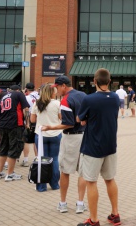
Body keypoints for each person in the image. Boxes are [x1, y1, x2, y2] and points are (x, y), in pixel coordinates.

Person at [76, 68, 121, 226]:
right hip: (110, 145)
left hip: (93, 146)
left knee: (91, 182)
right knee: (110, 179)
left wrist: (86, 119)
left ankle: (94, 219)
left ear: (94, 81)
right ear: (109, 81)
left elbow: (79, 119)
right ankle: (115, 214)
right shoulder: (115, 98)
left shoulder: (89, 99)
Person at [41, 75, 88, 214]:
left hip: (71, 138)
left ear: (63, 86)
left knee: (65, 171)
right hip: (85, 136)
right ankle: (80, 203)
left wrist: (50, 127)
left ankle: (63, 203)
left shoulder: (66, 100)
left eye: (57, 88)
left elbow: (68, 124)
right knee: (83, 172)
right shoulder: (84, 95)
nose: (57, 91)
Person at [0, 85, 30, 181]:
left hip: (2, 125)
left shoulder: (4, 97)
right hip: (15, 125)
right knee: (14, 149)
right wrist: (28, 123)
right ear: (18, 90)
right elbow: (26, 109)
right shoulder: (19, 94)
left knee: (3, 148)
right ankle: (10, 174)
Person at [30, 84, 62, 192]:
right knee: (55, 159)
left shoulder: (37, 103)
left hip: (40, 134)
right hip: (55, 134)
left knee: (41, 159)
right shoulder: (58, 103)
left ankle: (41, 186)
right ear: (52, 92)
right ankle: (54, 184)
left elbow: (32, 120)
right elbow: (61, 118)